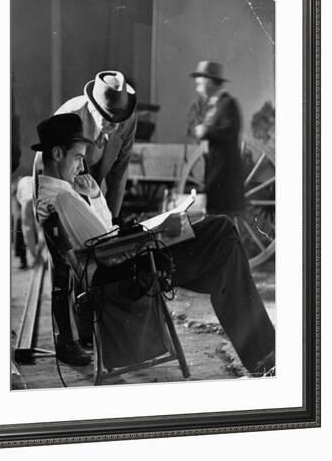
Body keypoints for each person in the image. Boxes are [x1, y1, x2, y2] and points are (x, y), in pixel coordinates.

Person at [34, 114, 275, 376]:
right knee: (223, 231)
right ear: (58, 154)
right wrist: (154, 233)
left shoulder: (57, 194)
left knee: (226, 260)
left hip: (124, 264)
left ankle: (265, 358)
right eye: (78, 157)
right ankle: (265, 357)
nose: (81, 166)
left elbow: (103, 238)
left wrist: (95, 197)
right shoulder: (64, 197)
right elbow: (106, 248)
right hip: (126, 272)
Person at [33, 70, 137, 219]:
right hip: (64, 192)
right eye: (108, 118)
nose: (115, 127)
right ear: (93, 108)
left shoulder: (127, 119)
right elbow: (45, 167)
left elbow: (119, 173)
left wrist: (113, 221)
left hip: (94, 191)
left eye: (118, 119)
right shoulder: (69, 117)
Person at [191, 61, 244, 215]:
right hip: (216, 174)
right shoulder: (216, 106)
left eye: (199, 84)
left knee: (220, 217)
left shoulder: (228, 104)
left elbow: (229, 130)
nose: (197, 89)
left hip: (224, 176)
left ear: (209, 83)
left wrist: (206, 130)